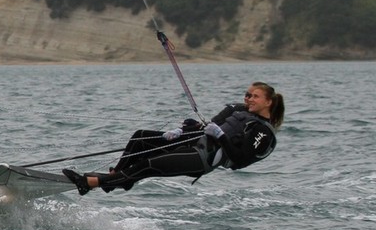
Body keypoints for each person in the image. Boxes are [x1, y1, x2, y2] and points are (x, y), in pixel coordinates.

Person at [63, 82, 284, 195]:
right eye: (247, 94)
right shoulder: (235, 108)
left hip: (204, 159)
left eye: (254, 96)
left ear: (268, 102)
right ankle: (116, 179)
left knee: (148, 164)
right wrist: (183, 129)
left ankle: (91, 183)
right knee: (141, 138)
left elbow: (240, 160)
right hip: (191, 141)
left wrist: (222, 137)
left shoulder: (263, 133)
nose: (248, 99)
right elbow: (205, 127)